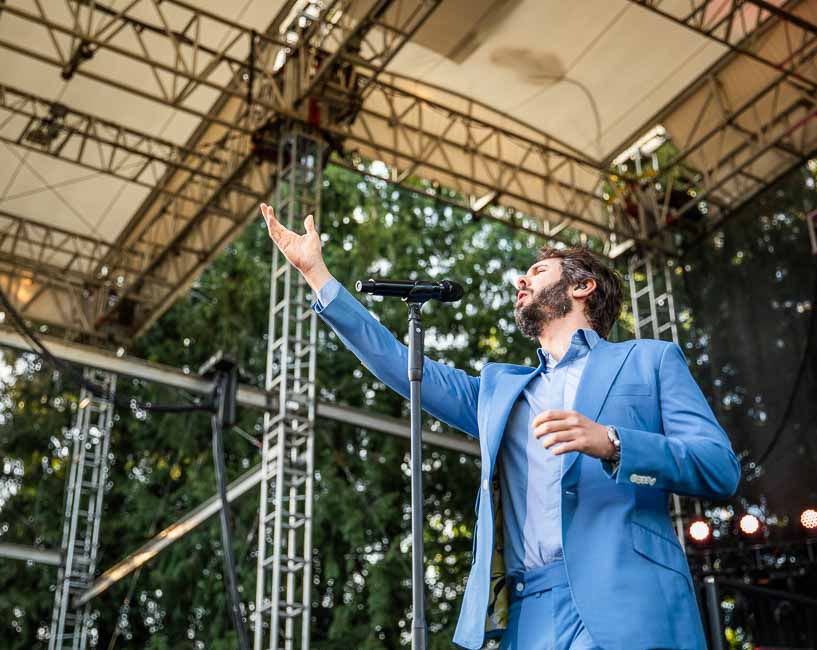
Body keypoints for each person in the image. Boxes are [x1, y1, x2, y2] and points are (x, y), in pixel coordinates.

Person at [259, 203, 740, 650]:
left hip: (628, 598)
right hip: (529, 612)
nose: (520, 280)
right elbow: (397, 362)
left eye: (537, 271)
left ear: (582, 286)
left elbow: (718, 466)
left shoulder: (649, 361)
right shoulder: (498, 391)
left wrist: (613, 442)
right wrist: (317, 274)